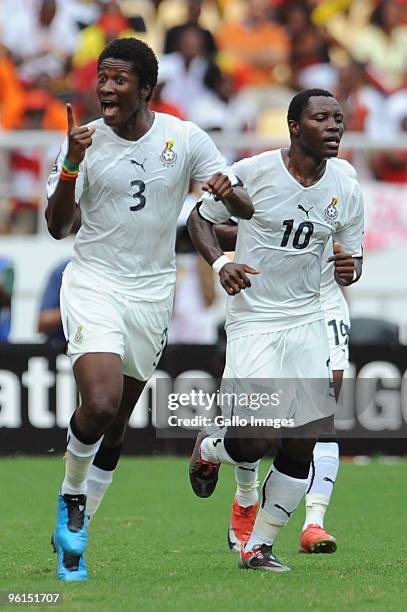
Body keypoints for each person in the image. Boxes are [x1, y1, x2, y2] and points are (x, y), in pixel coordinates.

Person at [45, 37, 253, 582]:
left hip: (152, 291)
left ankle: (80, 526)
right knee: (100, 402)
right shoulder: (82, 142)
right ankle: (71, 502)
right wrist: (70, 164)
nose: (106, 88)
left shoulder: (183, 138)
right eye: (102, 77)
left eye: (118, 79)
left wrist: (225, 191)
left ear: (146, 88)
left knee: (115, 426)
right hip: (94, 283)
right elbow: (58, 228)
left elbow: (241, 202)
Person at [187, 88, 364, 572]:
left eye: (338, 118)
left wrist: (350, 269)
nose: (333, 126)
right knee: (256, 440)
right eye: (322, 118)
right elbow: (198, 221)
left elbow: (353, 257)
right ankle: (211, 445)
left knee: (303, 440)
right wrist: (222, 261)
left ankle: (259, 546)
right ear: (294, 126)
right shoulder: (256, 172)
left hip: (308, 320)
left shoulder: (345, 183)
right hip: (255, 320)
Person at [213, 223, 353, 555]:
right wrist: (260, 234)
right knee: (260, 416)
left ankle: (313, 522)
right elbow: (209, 227)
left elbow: (352, 249)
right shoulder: (256, 173)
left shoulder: (343, 182)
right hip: (266, 304)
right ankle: (246, 498)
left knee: (321, 413)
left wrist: (350, 262)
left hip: (324, 301)